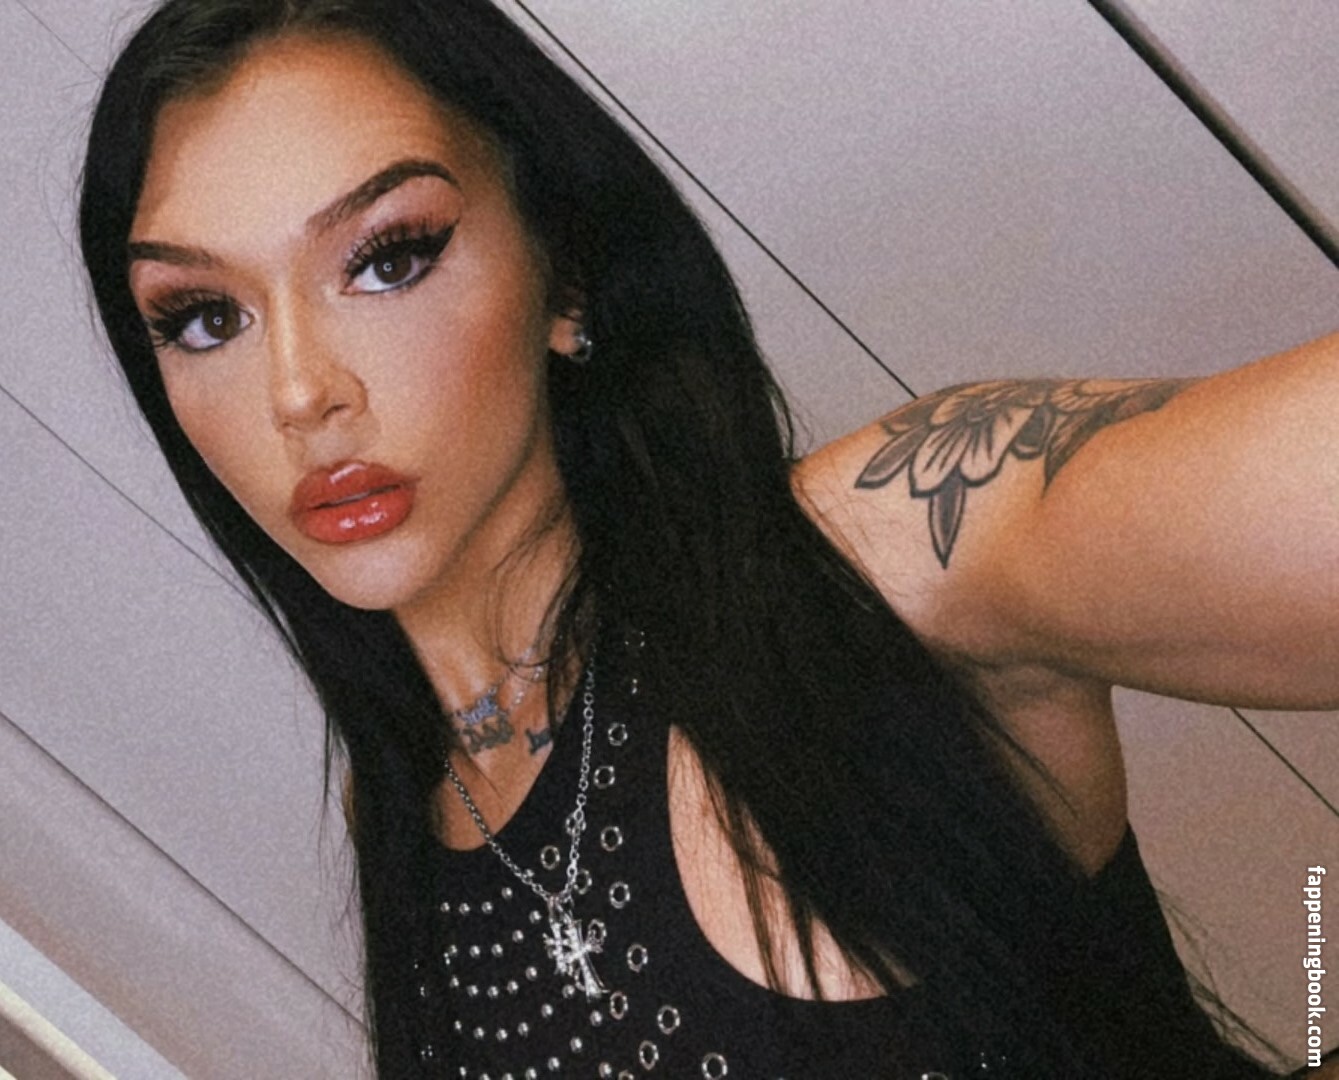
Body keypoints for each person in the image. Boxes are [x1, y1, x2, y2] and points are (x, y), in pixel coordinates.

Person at [79, 0, 1338, 1076]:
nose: (300, 392)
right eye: (203, 318)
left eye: (388, 258)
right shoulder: (409, 807)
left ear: (566, 274)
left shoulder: (886, 553)